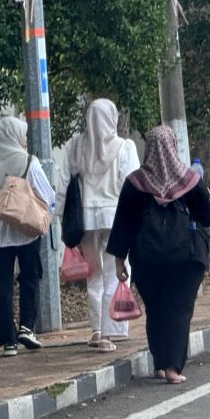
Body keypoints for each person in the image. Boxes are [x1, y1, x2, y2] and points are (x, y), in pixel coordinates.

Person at [107, 125, 210, 383]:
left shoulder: (136, 183)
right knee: (179, 309)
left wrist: (118, 261)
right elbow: (208, 216)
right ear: (173, 147)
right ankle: (173, 368)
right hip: (186, 259)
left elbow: (123, 224)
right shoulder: (189, 179)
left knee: (156, 308)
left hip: (147, 259)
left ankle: (160, 364)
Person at [55, 99, 139, 352]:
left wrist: (57, 216)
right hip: (116, 219)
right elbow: (132, 184)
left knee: (93, 274)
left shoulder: (76, 145)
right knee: (116, 271)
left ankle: (96, 330)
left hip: (86, 220)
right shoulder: (125, 147)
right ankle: (110, 332)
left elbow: (62, 182)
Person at [0, 116, 55, 357]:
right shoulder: (30, 162)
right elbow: (48, 197)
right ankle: (27, 327)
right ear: (14, 136)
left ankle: (8, 340)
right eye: (23, 136)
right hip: (26, 232)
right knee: (30, 277)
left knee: (1, 284)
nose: (25, 140)